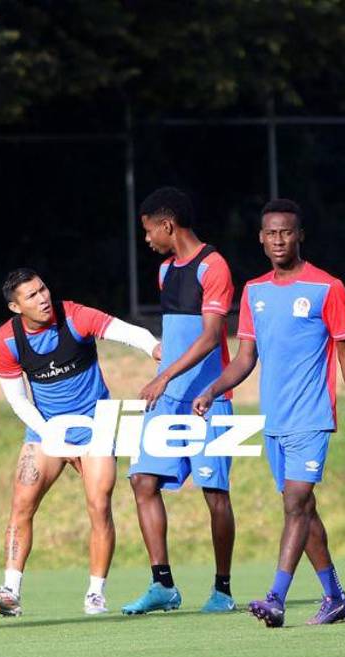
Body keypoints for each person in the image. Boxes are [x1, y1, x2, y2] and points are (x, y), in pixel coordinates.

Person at [193, 198, 345, 628]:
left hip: (312, 417)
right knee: (303, 511)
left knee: (296, 504)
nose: (278, 240)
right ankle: (335, 598)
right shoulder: (254, 291)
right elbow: (244, 357)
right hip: (274, 420)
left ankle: (276, 597)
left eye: (286, 232)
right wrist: (213, 388)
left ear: (300, 236)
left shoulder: (327, 287)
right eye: (271, 233)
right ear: (261, 238)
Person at [0, 269, 161, 616]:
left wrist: (153, 347)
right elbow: (18, 400)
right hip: (46, 430)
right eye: (32, 296)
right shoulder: (6, 341)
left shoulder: (75, 316)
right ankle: (10, 591)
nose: (43, 298)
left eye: (43, 289)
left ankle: (95, 594)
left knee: (99, 505)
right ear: (16, 307)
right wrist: (51, 435)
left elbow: (127, 332)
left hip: (95, 428)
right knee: (21, 504)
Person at [122, 187, 238, 615]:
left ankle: (222, 590)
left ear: (167, 225)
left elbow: (210, 337)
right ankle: (163, 585)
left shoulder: (213, 266)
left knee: (215, 493)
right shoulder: (164, 271)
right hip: (168, 399)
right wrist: (165, 373)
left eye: (149, 230)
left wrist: (165, 374)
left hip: (209, 399)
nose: (147, 239)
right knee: (142, 480)